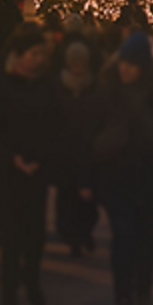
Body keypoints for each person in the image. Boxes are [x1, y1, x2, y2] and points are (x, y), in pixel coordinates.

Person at [89, 32, 153, 305]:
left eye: (133, 64)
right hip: (117, 176)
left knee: (146, 241)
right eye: (123, 62)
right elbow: (89, 133)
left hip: (149, 175)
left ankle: (144, 294)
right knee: (123, 240)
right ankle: (124, 301)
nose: (126, 69)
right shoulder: (106, 92)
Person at [0, 23, 65, 305]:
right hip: (9, 173)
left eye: (43, 54)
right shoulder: (0, 84)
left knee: (36, 236)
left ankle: (31, 278)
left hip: (38, 171)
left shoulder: (48, 85)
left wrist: (47, 158)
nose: (40, 60)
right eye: (34, 54)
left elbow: (58, 124)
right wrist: (12, 158)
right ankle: (9, 301)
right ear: (18, 55)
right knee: (12, 238)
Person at [54, 40, 101, 257]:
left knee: (88, 200)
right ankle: (72, 236)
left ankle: (85, 232)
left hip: (88, 148)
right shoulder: (59, 87)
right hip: (65, 150)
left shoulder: (94, 87)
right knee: (67, 198)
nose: (78, 68)